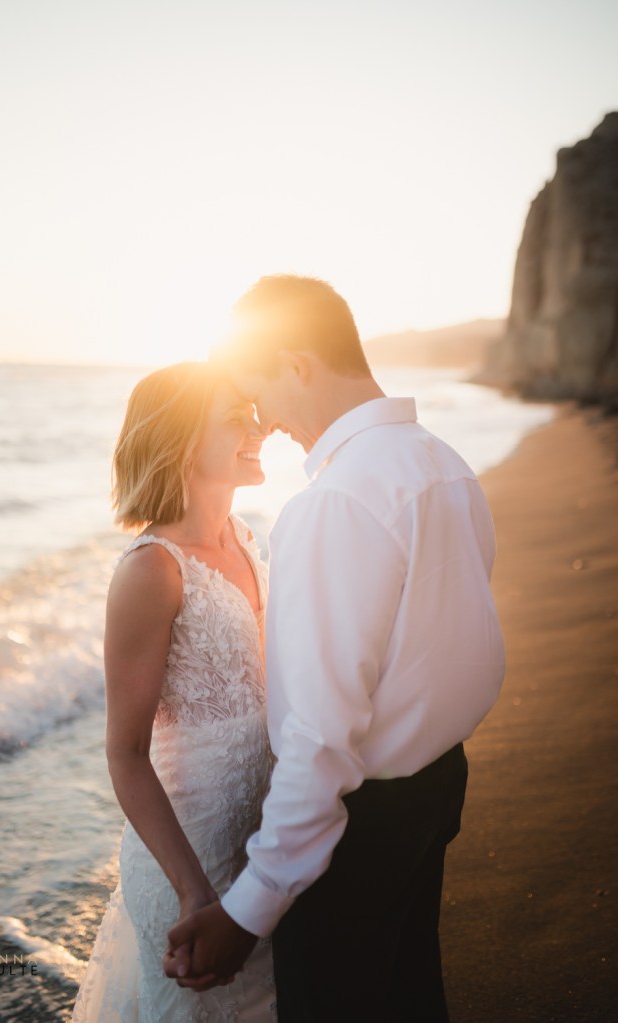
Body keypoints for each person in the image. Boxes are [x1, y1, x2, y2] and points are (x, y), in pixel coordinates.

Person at [166, 276, 506, 1021]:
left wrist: (246, 910)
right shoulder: (443, 462)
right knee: (412, 996)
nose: (264, 419)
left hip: (362, 831)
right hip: (437, 785)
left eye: (259, 392)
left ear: (296, 363)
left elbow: (318, 739)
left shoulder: (332, 503)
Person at [72, 362, 276, 1022]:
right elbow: (125, 753)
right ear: (185, 441)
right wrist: (194, 892)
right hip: (191, 859)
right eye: (235, 418)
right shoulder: (151, 569)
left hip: (264, 851)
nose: (257, 427)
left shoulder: (246, 539)